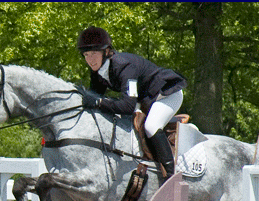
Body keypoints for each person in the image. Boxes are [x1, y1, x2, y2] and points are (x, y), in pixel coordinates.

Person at [77, 26, 187, 179]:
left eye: (94, 53)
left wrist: (98, 102)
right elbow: (94, 99)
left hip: (167, 94)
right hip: (148, 99)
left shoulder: (125, 67)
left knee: (151, 126)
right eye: (86, 54)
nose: (90, 59)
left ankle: (171, 176)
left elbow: (127, 106)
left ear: (107, 51)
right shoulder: (98, 71)